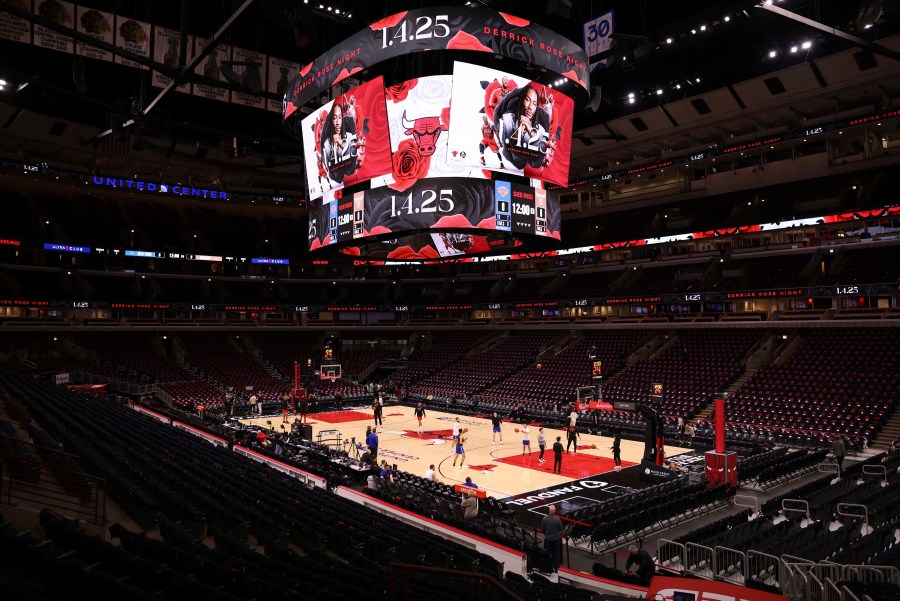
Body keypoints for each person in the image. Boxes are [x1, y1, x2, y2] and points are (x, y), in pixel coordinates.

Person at [495, 83, 550, 170]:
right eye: (527, 100)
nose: (530, 107)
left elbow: (542, 150)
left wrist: (531, 131)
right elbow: (505, 144)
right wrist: (520, 131)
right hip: (509, 168)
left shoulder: (541, 129)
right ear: (521, 100)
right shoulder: (507, 119)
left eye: (534, 103)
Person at [319, 100, 358, 183]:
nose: (337, 122)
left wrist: (341, 143)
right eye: (334, 118)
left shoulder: (348, 124)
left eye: (339, 117)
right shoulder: (327, 135)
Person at [540, 504, 564, 571]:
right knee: (556, 553)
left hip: (548, 539)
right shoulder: (557, 519)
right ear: (555, 511)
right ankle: (557, 568)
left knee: (548, 553)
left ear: (549, 510)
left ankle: (548, 568)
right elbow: (561, 529)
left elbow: (542, 529)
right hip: (556, 539)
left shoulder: (544, 518)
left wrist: (546, 534)